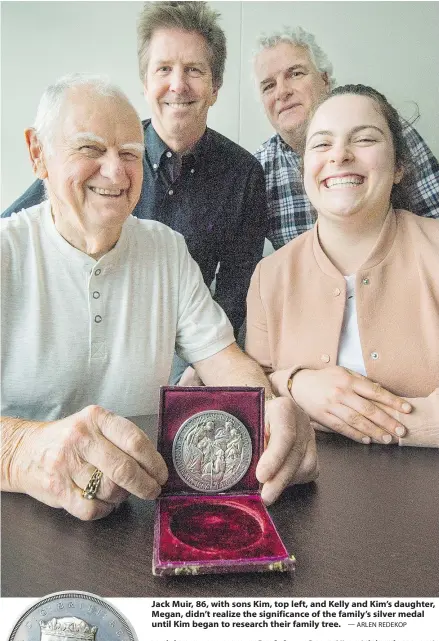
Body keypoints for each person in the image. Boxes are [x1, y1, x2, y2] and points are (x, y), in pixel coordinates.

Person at [1, 74, 318, 521]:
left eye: (130, 153)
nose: (114, 171)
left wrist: (271, 411)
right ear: (39, 153)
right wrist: (22, 452)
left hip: (136, 511)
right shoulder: (6, 252)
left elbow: (223, 359)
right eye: (90, 148)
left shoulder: (165, 248)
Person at [2, 2, 267, 358]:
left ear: (216, 86)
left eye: (193, 70)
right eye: (163, 69)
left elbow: (236, 291)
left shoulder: (243, 173)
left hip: (185, 345)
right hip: (83, 332)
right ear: (145, 82)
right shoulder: (97, 161)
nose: (178, 84)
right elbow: (17, 227)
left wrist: (200, 365)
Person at [246, 85, 439, 447]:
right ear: (304, 171)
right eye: (321, 144)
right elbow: (256, 390)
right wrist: (297, 383)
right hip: (303, 492)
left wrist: (383, 426)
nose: (340, 156)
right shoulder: (268, 276)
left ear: (399, 166)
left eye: (364, 139)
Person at [253, 27, 439, 249]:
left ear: (325, 80)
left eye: (295, 73)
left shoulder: (387, 131)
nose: (282, 92)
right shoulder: (257, 170)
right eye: (268, 86)